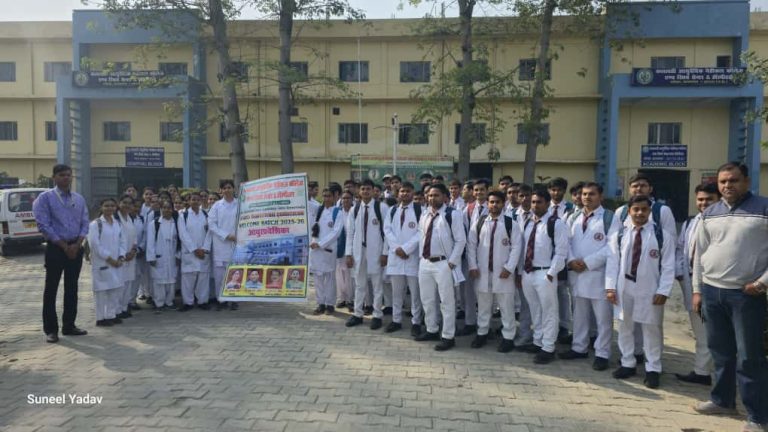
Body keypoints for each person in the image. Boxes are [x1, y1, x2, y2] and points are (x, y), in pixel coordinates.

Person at [692, 162, 768, 432]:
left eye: (733, 180)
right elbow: (700, 254)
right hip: (712, 291)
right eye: (723, 181)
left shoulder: (763, 208)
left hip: (746, 295)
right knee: (720, 351)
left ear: (746, 181)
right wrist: (697, 290)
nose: (727, 186)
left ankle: (758, 416)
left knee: (749, 356)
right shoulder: (710, 213)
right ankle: (722, 400)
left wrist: (762, 283)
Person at [606, 195, 675, 389]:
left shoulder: (661, 236)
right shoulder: (620, 234)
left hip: (650, 289)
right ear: (629, 211)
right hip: (625, 286)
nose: (639, 213)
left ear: (649, 211)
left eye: (644, 209)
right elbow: (612, 263)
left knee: (651, 329)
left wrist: (664, 290)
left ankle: (653, 368)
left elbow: (668, 266)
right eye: (635, 209)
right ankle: (627, 363)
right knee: (625, 326)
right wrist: (610, 287)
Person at [561, 182, 616, 371]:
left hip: (597, 274)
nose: (586, 197)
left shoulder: (609, 218)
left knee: (603, 318)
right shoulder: (573, 216)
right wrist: (570, 260)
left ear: (600, 196)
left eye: (591, 194)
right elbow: (565, 242)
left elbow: (612, 247)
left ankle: (602, 353)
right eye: (584, 194)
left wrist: (587, 262)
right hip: (576, 274)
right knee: (579, 314)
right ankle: (579, 347)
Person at [32, 164, 90, 343]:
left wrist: (77, 244)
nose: (66, 178)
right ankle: (51, 330)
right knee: (51, 288)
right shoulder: (45, 198)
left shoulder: (79, 199)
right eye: (62, 175)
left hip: (76, 247)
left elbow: (85, 222)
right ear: (54, 177)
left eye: (68, 175)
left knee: (72, 288)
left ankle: (69, 325)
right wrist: (64, 246)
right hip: (56, 248)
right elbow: (43, 225)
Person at [673, 182, 719, 385]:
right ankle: (701, 371)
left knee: (713, 330)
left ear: (718, 200)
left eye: (709, 199)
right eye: (700, 199)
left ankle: (712, 371)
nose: (704, 203)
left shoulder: (721, 221)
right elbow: (680, 248)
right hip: (690, 281)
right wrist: (680, 273)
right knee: (699, 328)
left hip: (712, 283)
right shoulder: (690, 222)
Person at [466, 190, 522, 352]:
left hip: (503, 272)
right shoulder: (480, 222)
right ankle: (482, 333)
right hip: (482, 271)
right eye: (491, 202)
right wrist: (473, 266)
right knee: (483, 305)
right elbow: (471, 245)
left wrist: (509, 268)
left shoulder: (511, 224)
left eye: (497, 202)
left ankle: (508, 337)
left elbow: (516, 248)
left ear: (503, 204)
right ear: (487, 203)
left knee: (506, 306)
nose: (494, 205)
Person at [518, 189, 568, 364]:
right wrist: (521, 272)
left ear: (547, 203)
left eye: (539, 202)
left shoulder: (556, 223)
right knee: (535, 309)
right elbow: (522, 249)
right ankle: (538, 341)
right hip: (528, 272)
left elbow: (561, 252)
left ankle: (548, 347)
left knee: (549, 311)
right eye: (533, 202)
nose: (535, 205)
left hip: (545, 273)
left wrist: (551, 273)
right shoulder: (528, 222)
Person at [415, 183, 466, 351]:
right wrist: (421, 258)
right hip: (425, 262)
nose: (432, 198)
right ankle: (431, 329)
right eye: (430, 195)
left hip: (444, 263)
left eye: (436, 195)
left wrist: (452, 262)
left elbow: (461, 240)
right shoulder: (425, 214)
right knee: (427, 299)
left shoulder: (453, 214)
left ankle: (448, 336)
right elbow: (421, 237)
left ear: (444, 197)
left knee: (447, 301)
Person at [344, 179, 389, 329]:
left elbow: (387, 233)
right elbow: (350, 233)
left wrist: (385, 253)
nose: (365, 191)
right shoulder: (355, 209)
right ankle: (358, 314)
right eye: (363, 189)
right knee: (359, 284)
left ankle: (377, 315)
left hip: (376, 251)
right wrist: (348, 254)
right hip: (359, 251)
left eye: (368, 189)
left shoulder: (381, 208)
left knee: (377, 285)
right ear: (359, 191)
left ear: (373, 190)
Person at [383, 182, 423, 335]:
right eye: (402, 191)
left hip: (412, 257)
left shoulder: (420, 210)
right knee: (397, 293)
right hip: (396, 257)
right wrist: (397, 249)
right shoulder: (392, 210)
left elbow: (421, 232)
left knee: (415, 293)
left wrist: (406, 249)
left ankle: (416, 322)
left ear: (412, 193)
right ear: (397, 193)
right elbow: (387, 230)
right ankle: (396, 320)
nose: (404, 193)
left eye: (407, 191)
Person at [458, 178, 491, 336]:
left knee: (487, 292)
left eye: (482, 190)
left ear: (487, 190)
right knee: (469, 291)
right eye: (476, 190)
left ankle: (486, 325)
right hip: (469, 255)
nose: (478, 193)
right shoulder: (468, 208)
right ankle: (470, 322)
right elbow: (463, 231)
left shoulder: (493, 207)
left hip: (488, 255)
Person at [87, 197, 127, 327]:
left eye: (112, 206)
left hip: (117, 262)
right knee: (101, 291)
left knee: (114, 289)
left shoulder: (117, 223)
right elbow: (95, 245)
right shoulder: (95, 224)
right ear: (101, 207)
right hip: (102, 262)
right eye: (106, 206)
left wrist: (121, 256)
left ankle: (111, 315)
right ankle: (100, 318)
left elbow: (123, 241)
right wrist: (109, 259)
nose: (109, 208)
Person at [310, 188, 344, 314]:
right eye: (324, 196)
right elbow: (314, 228)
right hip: (316, 250)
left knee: (330, 278)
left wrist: (320, 244)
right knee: (318, 278)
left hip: (329, 249)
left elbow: (336, 232)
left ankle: (330, 304)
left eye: (329, 196)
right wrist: (314, 242)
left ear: (334, 197)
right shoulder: (319, 210)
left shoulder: (337, 212)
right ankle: (320, 303)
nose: (326, 198)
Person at [178, 191, 212, 311]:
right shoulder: (183, 216)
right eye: (193, 199)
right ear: (189, 201)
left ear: (201, 201)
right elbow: (183, 235)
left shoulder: (206, 215)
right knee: (188, 278)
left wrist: (204, 248)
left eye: (198, 199)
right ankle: (188, 302)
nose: (195, 202)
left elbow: (209, 233)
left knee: (203, 277)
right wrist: (194, 249)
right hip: (190, 252)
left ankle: (203, 301)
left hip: (203, 252)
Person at [208, 180, 239, 311]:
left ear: (233, 189)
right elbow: (211, 224)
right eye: (224, 188)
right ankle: (221, 300)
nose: (227, 190)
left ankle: (234, 300)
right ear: (221, 190)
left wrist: (238, 235)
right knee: (220, 276)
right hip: (221, 244)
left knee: (235, 274)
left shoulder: (240, 204)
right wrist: (226, 235)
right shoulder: (216, 206)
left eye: (229, 187)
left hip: (237, 243)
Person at [146, 200, 180, 311]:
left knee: (171, 281)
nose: (166, 210)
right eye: (164, 208)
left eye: (169, 208)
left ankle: (169, 302)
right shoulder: (154, 224)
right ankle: (159, 303)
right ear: (161, 209)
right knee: (158, 281)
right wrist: (151, 257)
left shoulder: (176, 223)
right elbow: (150, 242)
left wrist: (178, 255)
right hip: (159, 256)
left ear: (172, 209)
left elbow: (179, 241)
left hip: (172, 256)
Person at [115, 194, 139, 319]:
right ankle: (117, 310)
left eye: (130, 203)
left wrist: (133, 250)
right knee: (119, 283)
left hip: (131, 256)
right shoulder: (115, 219)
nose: (127, 205)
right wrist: (124, 254)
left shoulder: (130, 218)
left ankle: (124, 308)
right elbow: (115, 239)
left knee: (128, 282)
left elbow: (135, 238)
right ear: (119, 204)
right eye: (124, 202)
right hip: (120, 256)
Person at [336, 191, 354, 311]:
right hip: (339, 246)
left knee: (349, 274)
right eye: (344, 198)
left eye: (348, 198)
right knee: (339, 274)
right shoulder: (337, 212)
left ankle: (350, 299)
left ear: (352, 200)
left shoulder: (355, 211)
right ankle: (341, 298)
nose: (345, 200)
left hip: (352, 246)